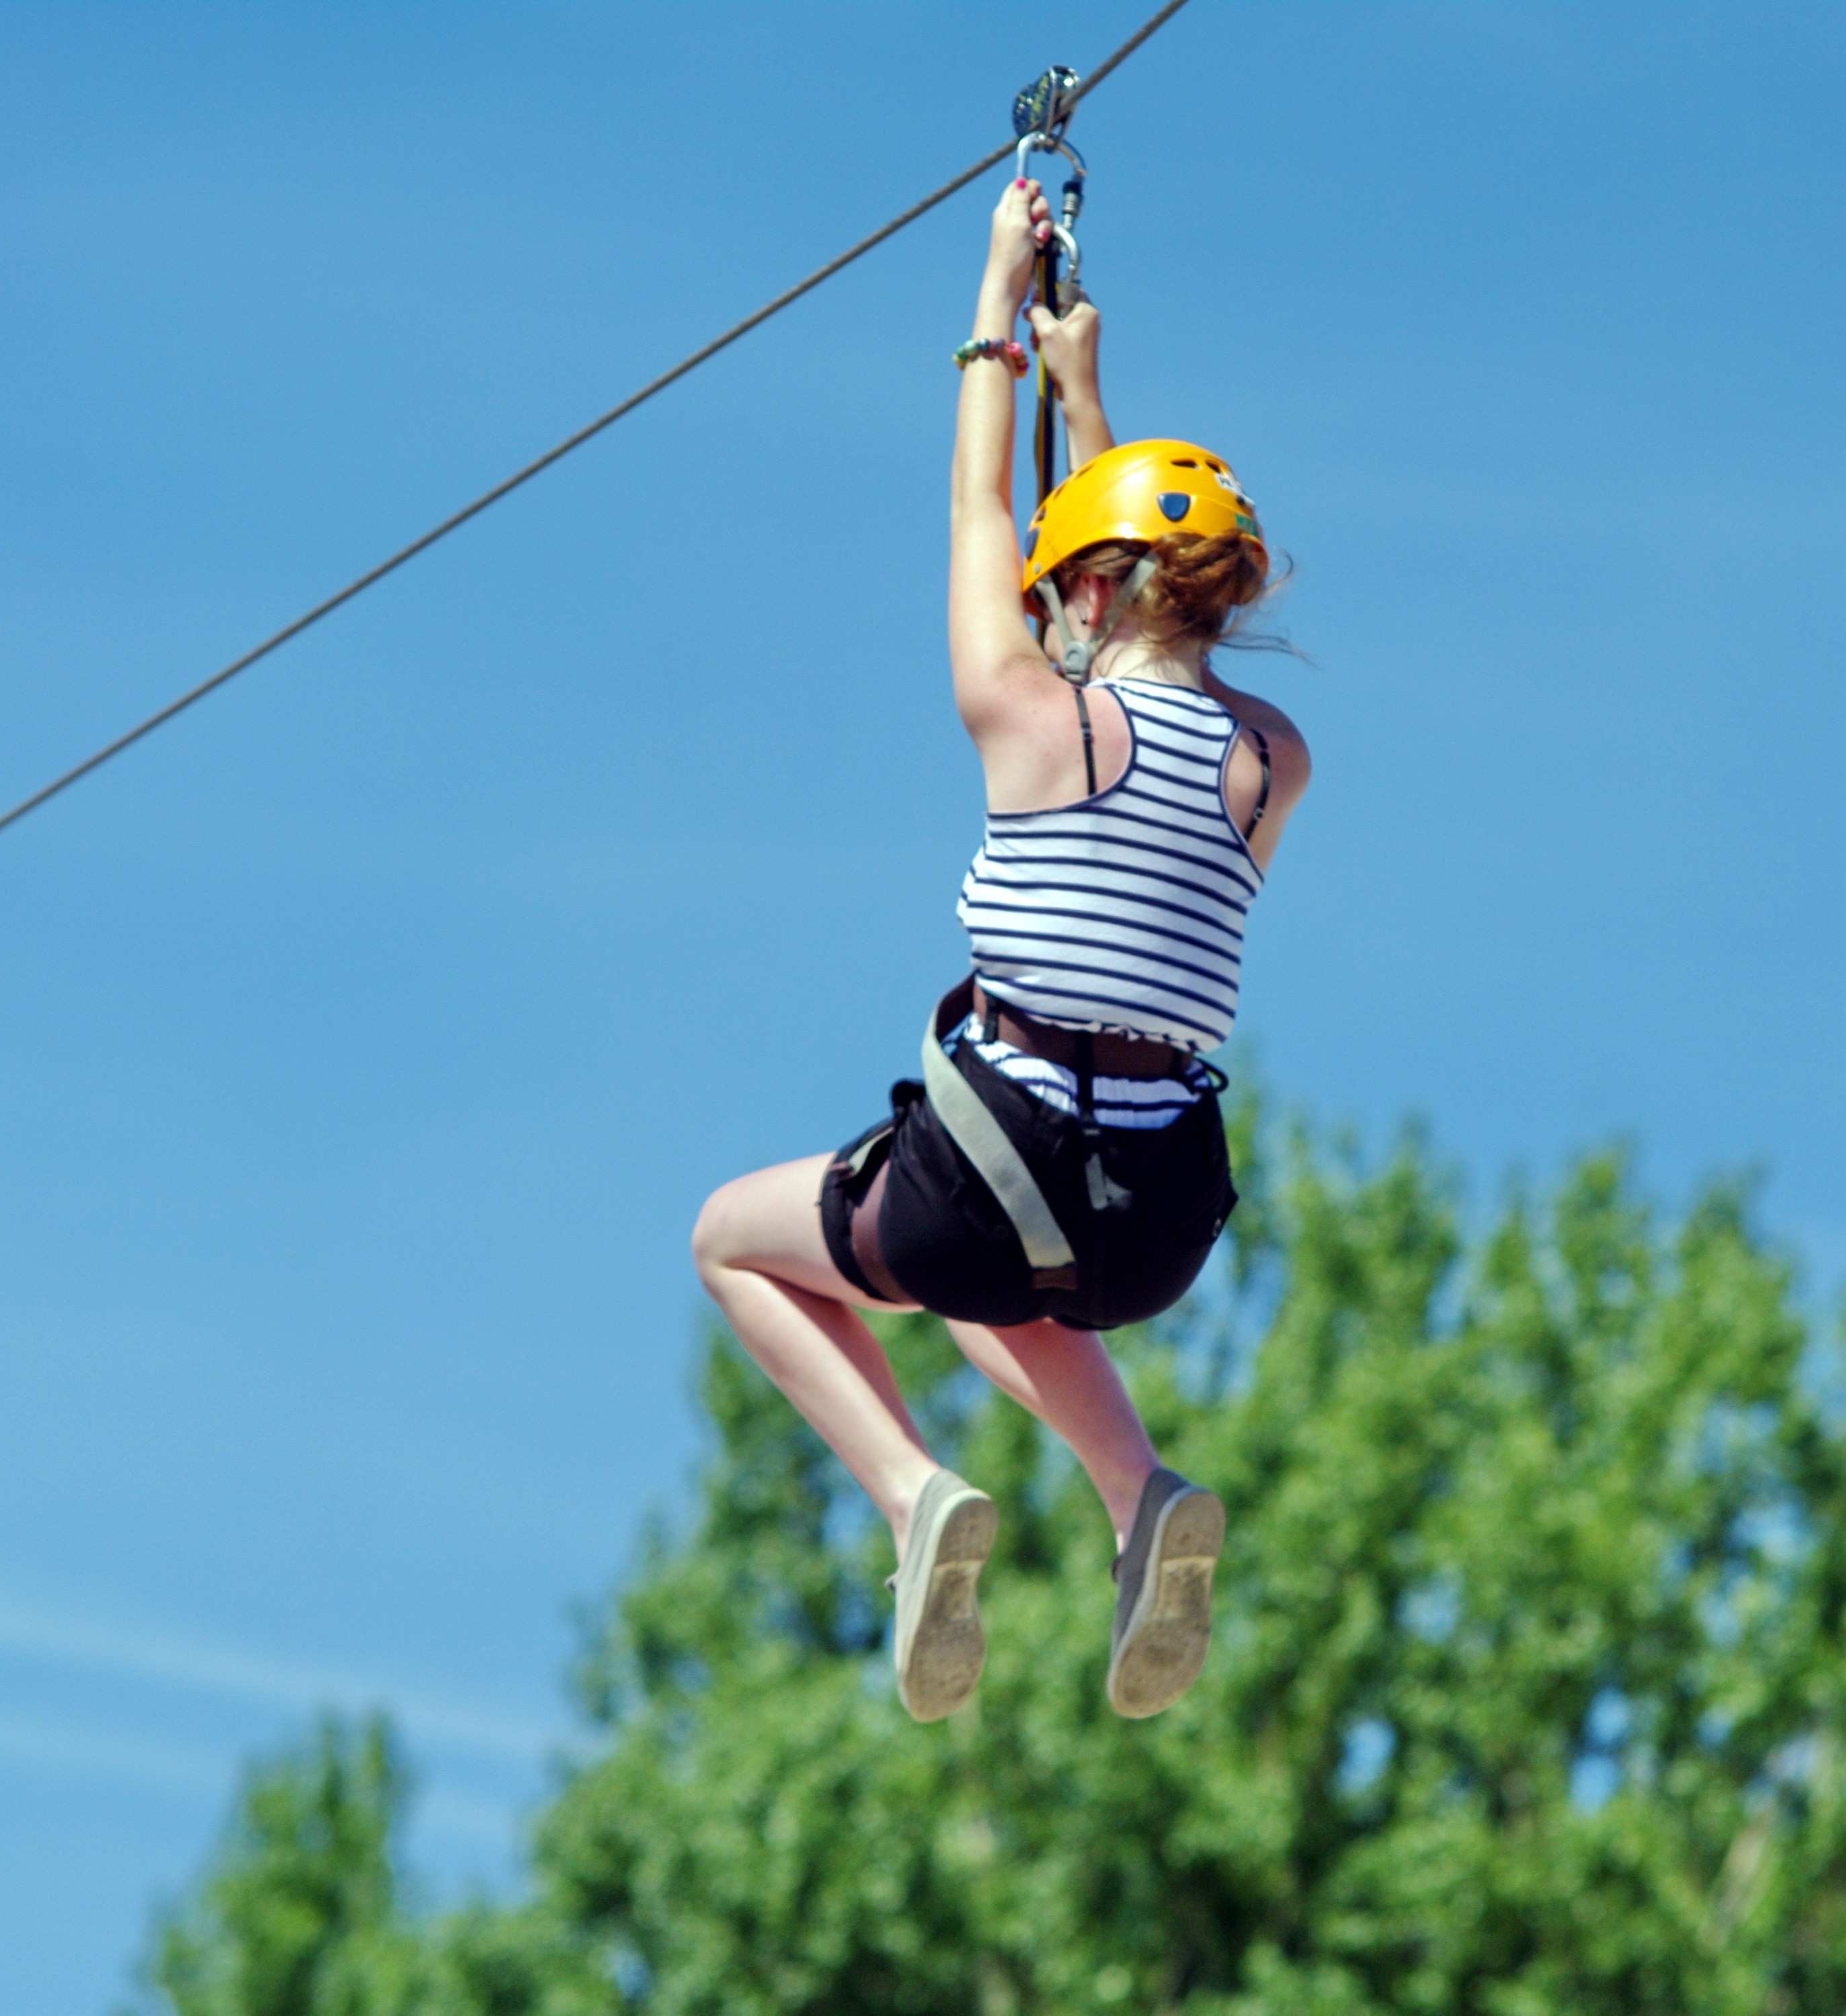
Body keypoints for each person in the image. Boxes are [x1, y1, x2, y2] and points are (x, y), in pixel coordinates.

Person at [690, 175, 1311, 1725]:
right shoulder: (1270, 762)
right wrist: (1088, 399)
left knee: (729, 1239)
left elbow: (983, 509)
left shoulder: (1030, 713)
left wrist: (994, 314)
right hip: (1160, 1211)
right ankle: (1140, 1493)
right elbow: (1122, 582)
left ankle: (915, 1500)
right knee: (1005, 1279)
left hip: (999, 1163)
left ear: (1088, 586)